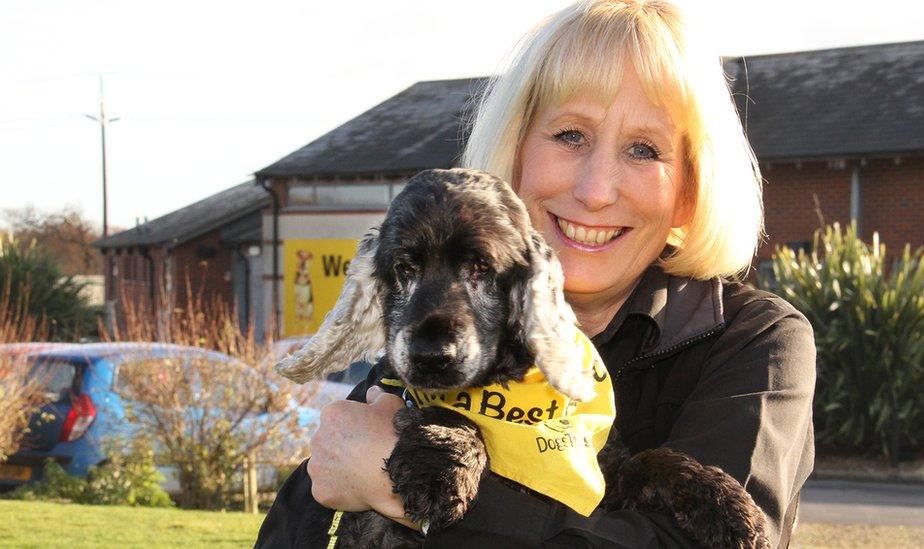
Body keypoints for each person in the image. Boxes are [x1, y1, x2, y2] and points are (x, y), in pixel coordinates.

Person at [256, 0, 815, 547]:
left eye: (644, 150)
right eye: (570, 135)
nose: (596, 190)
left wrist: (391, 482)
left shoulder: (755, 344)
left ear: (691, 192)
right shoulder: (449, 327)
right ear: (516, 152)